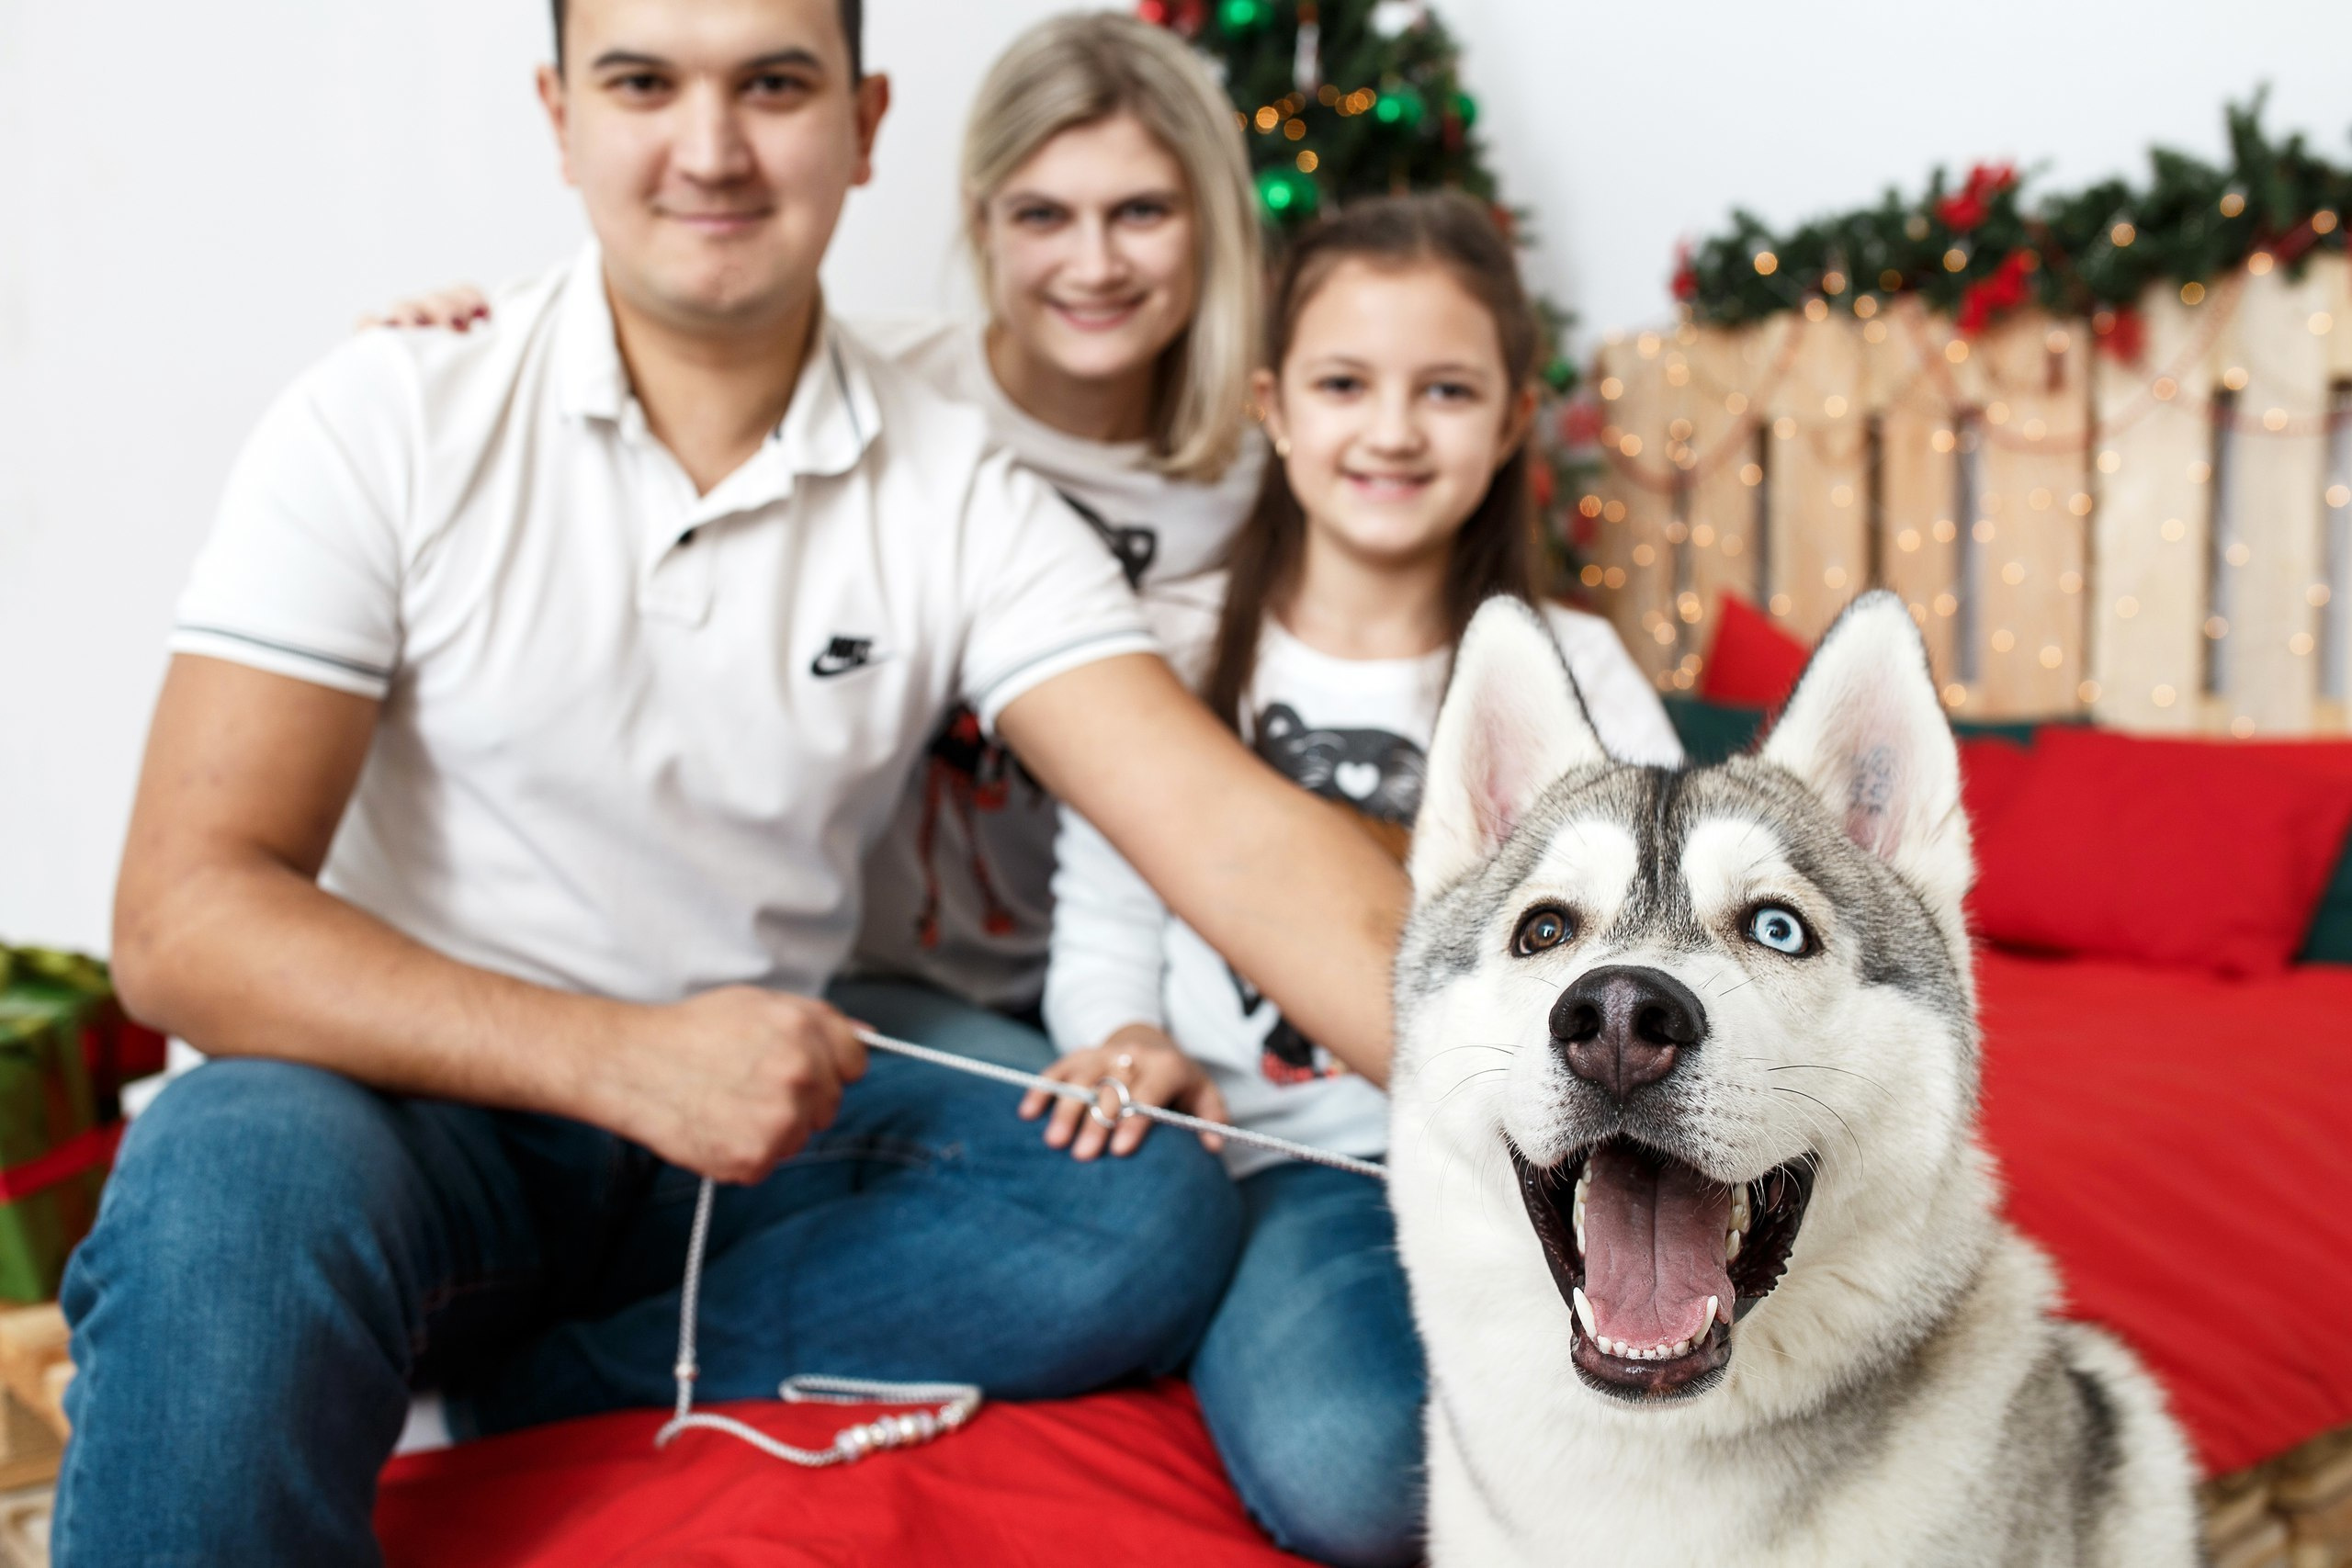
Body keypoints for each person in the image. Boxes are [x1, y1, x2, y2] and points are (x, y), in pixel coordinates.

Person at [60, 2, 1405, 1562]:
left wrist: (1545, 1093)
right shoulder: (386, 415)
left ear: (865, 122)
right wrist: (617, 1057)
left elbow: (1231, 837)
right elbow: (181, 921)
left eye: (773, 85)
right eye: (645, 84)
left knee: (1141, 1204)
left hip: (755, 1136)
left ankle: (537, 1388)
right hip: (404, 1120)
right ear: (562, 117)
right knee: (225, 1167)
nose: (711, 150)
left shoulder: (955, 482)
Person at [366, 13, 1268, 1049]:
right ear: (981, 224)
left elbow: (1245, 807)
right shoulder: (884, 415)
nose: (1094, 264)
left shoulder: (1277, 483)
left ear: (1211, 221)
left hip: (1133, 979)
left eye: (1142, 212)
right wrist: (460, 355)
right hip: (879, 978)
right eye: (1043, 216)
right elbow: (656, 356)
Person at [1023, 193, 1683, 1568]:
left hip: (1525, 1164)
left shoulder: (1577, 666)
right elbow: (1102, 918)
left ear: (1510, 420)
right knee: (1363, 1470)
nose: (1390, 431)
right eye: (1343, 384)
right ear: (1271, 403)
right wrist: (1128, 1034)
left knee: (1660, 1414)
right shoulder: (1165, 643)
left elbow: (1663, 938)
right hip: (1281, 1165)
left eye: (1445, 390)